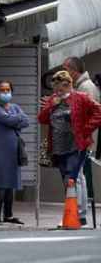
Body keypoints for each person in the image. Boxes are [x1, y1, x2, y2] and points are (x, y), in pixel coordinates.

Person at [38, 70, 101, 221]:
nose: (58, 92)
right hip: (59, 146)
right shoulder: (54, 99)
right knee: (67, 179)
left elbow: (98, 111)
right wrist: (50, 106)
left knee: (74, 178)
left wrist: (86, 129)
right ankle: (75, 211)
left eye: (61, 89)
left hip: (75, 145)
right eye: (55, 89)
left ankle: (78, 214)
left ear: (69, 86)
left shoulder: (80, 98)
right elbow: (42, 119)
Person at [0, 81, 29, 225]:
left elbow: (26, 121)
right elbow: (7, 120)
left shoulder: (15, 107)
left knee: (11, 183)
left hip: (13, 150)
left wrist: (14, 119)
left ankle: (8, 215)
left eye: (8, 89)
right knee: (0, 183)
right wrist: (17, 119)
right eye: (2, 90)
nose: (5, 92)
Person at [63, 57, 99, 225]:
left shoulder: (85, 87)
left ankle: (79, 212)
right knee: (79, 175)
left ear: (73, 70)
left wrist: (83, 131)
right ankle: (79, 212)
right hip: (82, 137)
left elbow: (92, 113)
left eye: (65, 69)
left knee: (78, 176)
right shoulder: (82, 86)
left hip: (82, 139)